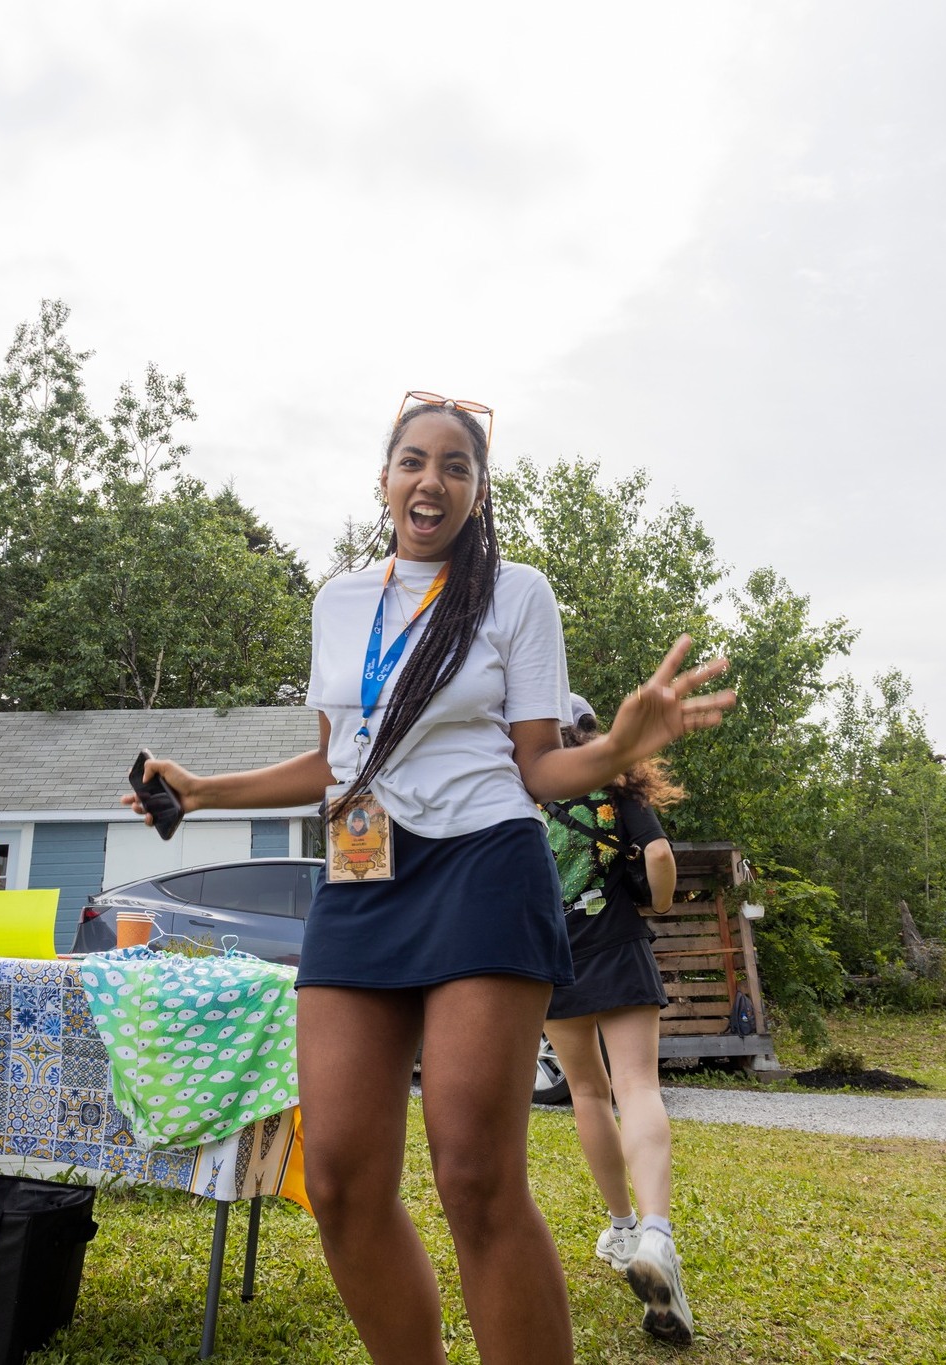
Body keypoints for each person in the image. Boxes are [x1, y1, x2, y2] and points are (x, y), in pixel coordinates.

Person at [124, 392, 735, 1365]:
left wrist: (619, 743)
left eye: (457, 466)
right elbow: (338, 763)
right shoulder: (340, 602)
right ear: (384, 480)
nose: (432, 479)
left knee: (475, 1174)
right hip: (362, 873)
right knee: (341, 1183)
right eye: (415, 459)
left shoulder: (516, 594)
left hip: (483, 869)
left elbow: (540, 767)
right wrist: (205, 789)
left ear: (478, 493)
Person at [542, 694, 693, 1345]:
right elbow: (657, 858)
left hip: (557, 958)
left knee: (587, 1091)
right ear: (592, 730)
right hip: (620, 948)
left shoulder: (530, 796)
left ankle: (621, 1222)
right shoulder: (617, 784)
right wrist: (655, 903)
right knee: (637, 1086)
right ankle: (657, 1231)